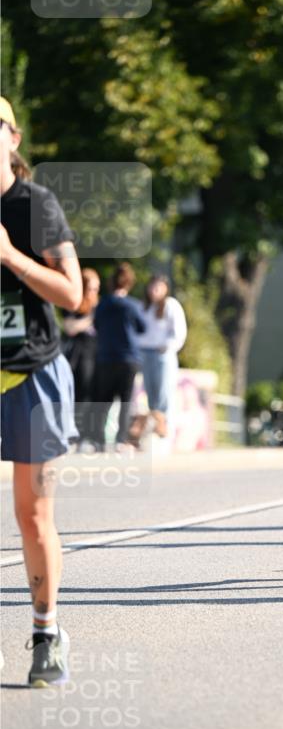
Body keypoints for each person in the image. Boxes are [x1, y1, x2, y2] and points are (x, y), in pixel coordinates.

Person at [0, 96, 82, 686]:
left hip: (33, 373)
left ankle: (46, 631)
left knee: (33, 516)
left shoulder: (34, 205)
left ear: (12, 137)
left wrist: (8, 256)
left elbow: (73, 294)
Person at [84, 262, 146, 451]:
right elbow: (142, 327)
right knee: (125, 401)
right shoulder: (133, 305)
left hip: (106, 357)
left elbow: (95, 326)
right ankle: (121, 440)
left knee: (103, 401)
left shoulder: (103, 305)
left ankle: (99, 440)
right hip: (128, 358)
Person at [136, 274, 187, 439]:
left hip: (163, 353)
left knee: (163, 390)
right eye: (152, 286)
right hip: (146, 352)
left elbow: (179, 332)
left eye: (158, 287)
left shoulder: (171, 305)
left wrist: (167, 346)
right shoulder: (143, 307)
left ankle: (163, 424)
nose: (154, 290)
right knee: (150, 390)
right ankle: (153, 422)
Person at [61, 267, 100, 442]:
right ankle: (72, 434)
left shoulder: (99, 306)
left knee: (90, 395)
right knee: (76, 394)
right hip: (77, 355)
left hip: (95, 355)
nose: (93, 293)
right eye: (91, 288)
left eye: (96, 289)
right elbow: (69, 328)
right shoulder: (73, 304)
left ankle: (86, 435)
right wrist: (91, 318)